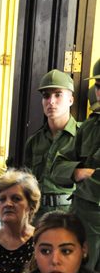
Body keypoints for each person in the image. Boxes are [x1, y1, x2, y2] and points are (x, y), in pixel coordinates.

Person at [52, 60, 100, 269]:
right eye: (98, 86)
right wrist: (77, 172)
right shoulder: (90, 127)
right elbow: (56, 168)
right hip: (80, 220)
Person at [24, 70, 79, 217]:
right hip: (38, 215)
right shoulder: (34, 142)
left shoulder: (84, 136)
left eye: (58, 94)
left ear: (71, 100)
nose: (51, 101)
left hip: (71, 215)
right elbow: (26, 183)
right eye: (46, 96)